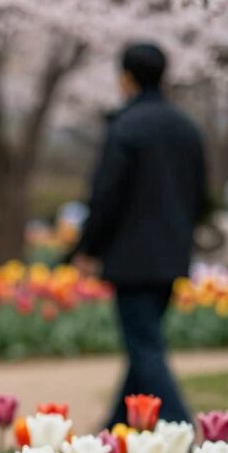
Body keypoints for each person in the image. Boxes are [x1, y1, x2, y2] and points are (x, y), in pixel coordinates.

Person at [71, 42, 206, 427]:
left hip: (131, 260)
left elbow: (106, 196)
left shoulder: (126, 126)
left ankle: (184, 429)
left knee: (145, 346)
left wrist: (87, 248)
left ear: (126, 77)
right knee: (142, 344)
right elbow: (200, 195)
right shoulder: (186, 128)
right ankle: (113, 428)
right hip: (173, 255)